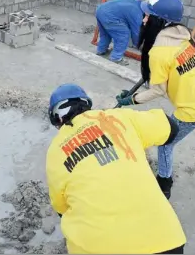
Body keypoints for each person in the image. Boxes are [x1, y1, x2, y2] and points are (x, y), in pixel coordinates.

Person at [46, 83, 186, 254]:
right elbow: (172, 128)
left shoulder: (55, 152)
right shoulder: (118, 117)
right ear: (86, 105)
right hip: (164, 241)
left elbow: (61, 208)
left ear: (56, 119)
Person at [116, 0, 195, 199]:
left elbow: (158, 90)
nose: (144, 19)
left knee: (165, 144)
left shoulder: (159, 52)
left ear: (160, 20)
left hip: (194, 107)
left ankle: (163, 187)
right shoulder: (184, 34)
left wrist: (131, 99)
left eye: (148, 15)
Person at [95, 0, 143, 65]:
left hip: (100, 9)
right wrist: (140, 46)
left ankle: (101, 50)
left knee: (105, 34)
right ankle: (116, 58)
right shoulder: (137, 13)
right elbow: (136, 33)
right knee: (123, 35)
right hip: (109, 16)